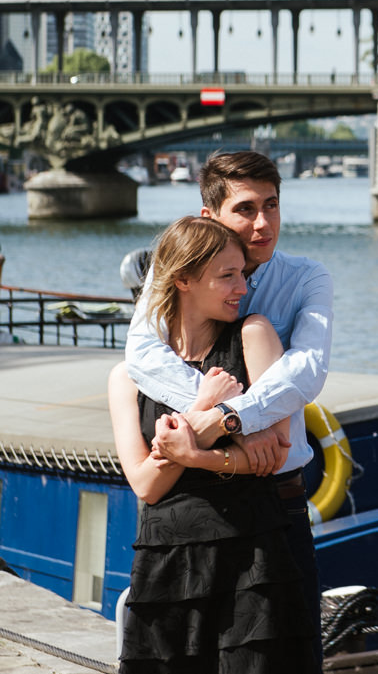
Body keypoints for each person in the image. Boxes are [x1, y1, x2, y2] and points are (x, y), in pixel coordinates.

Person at [125, 151, 332, 670]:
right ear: (207, 216)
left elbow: (306, 371)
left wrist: (228, 420)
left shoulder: (306, 280)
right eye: (245, 209)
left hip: (273, 507)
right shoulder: (173, 269)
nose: (263, 224)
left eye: (272, 205)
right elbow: (143, 355)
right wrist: (230, 422)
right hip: (185, 517)